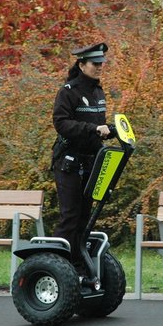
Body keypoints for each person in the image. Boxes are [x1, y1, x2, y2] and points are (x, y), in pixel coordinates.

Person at [51, 42, 113, 278]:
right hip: (69, 162)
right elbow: (61, 123)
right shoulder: (69, 91)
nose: (99, 67)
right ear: (81, 64)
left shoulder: (98, 91)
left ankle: (78, 266)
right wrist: (93, 129)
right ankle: (58, 267)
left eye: (101, 64)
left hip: (91, 161)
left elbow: (100, 127)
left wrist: (110, 129)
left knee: (85, 216)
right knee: (70, 215)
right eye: (95, 64)